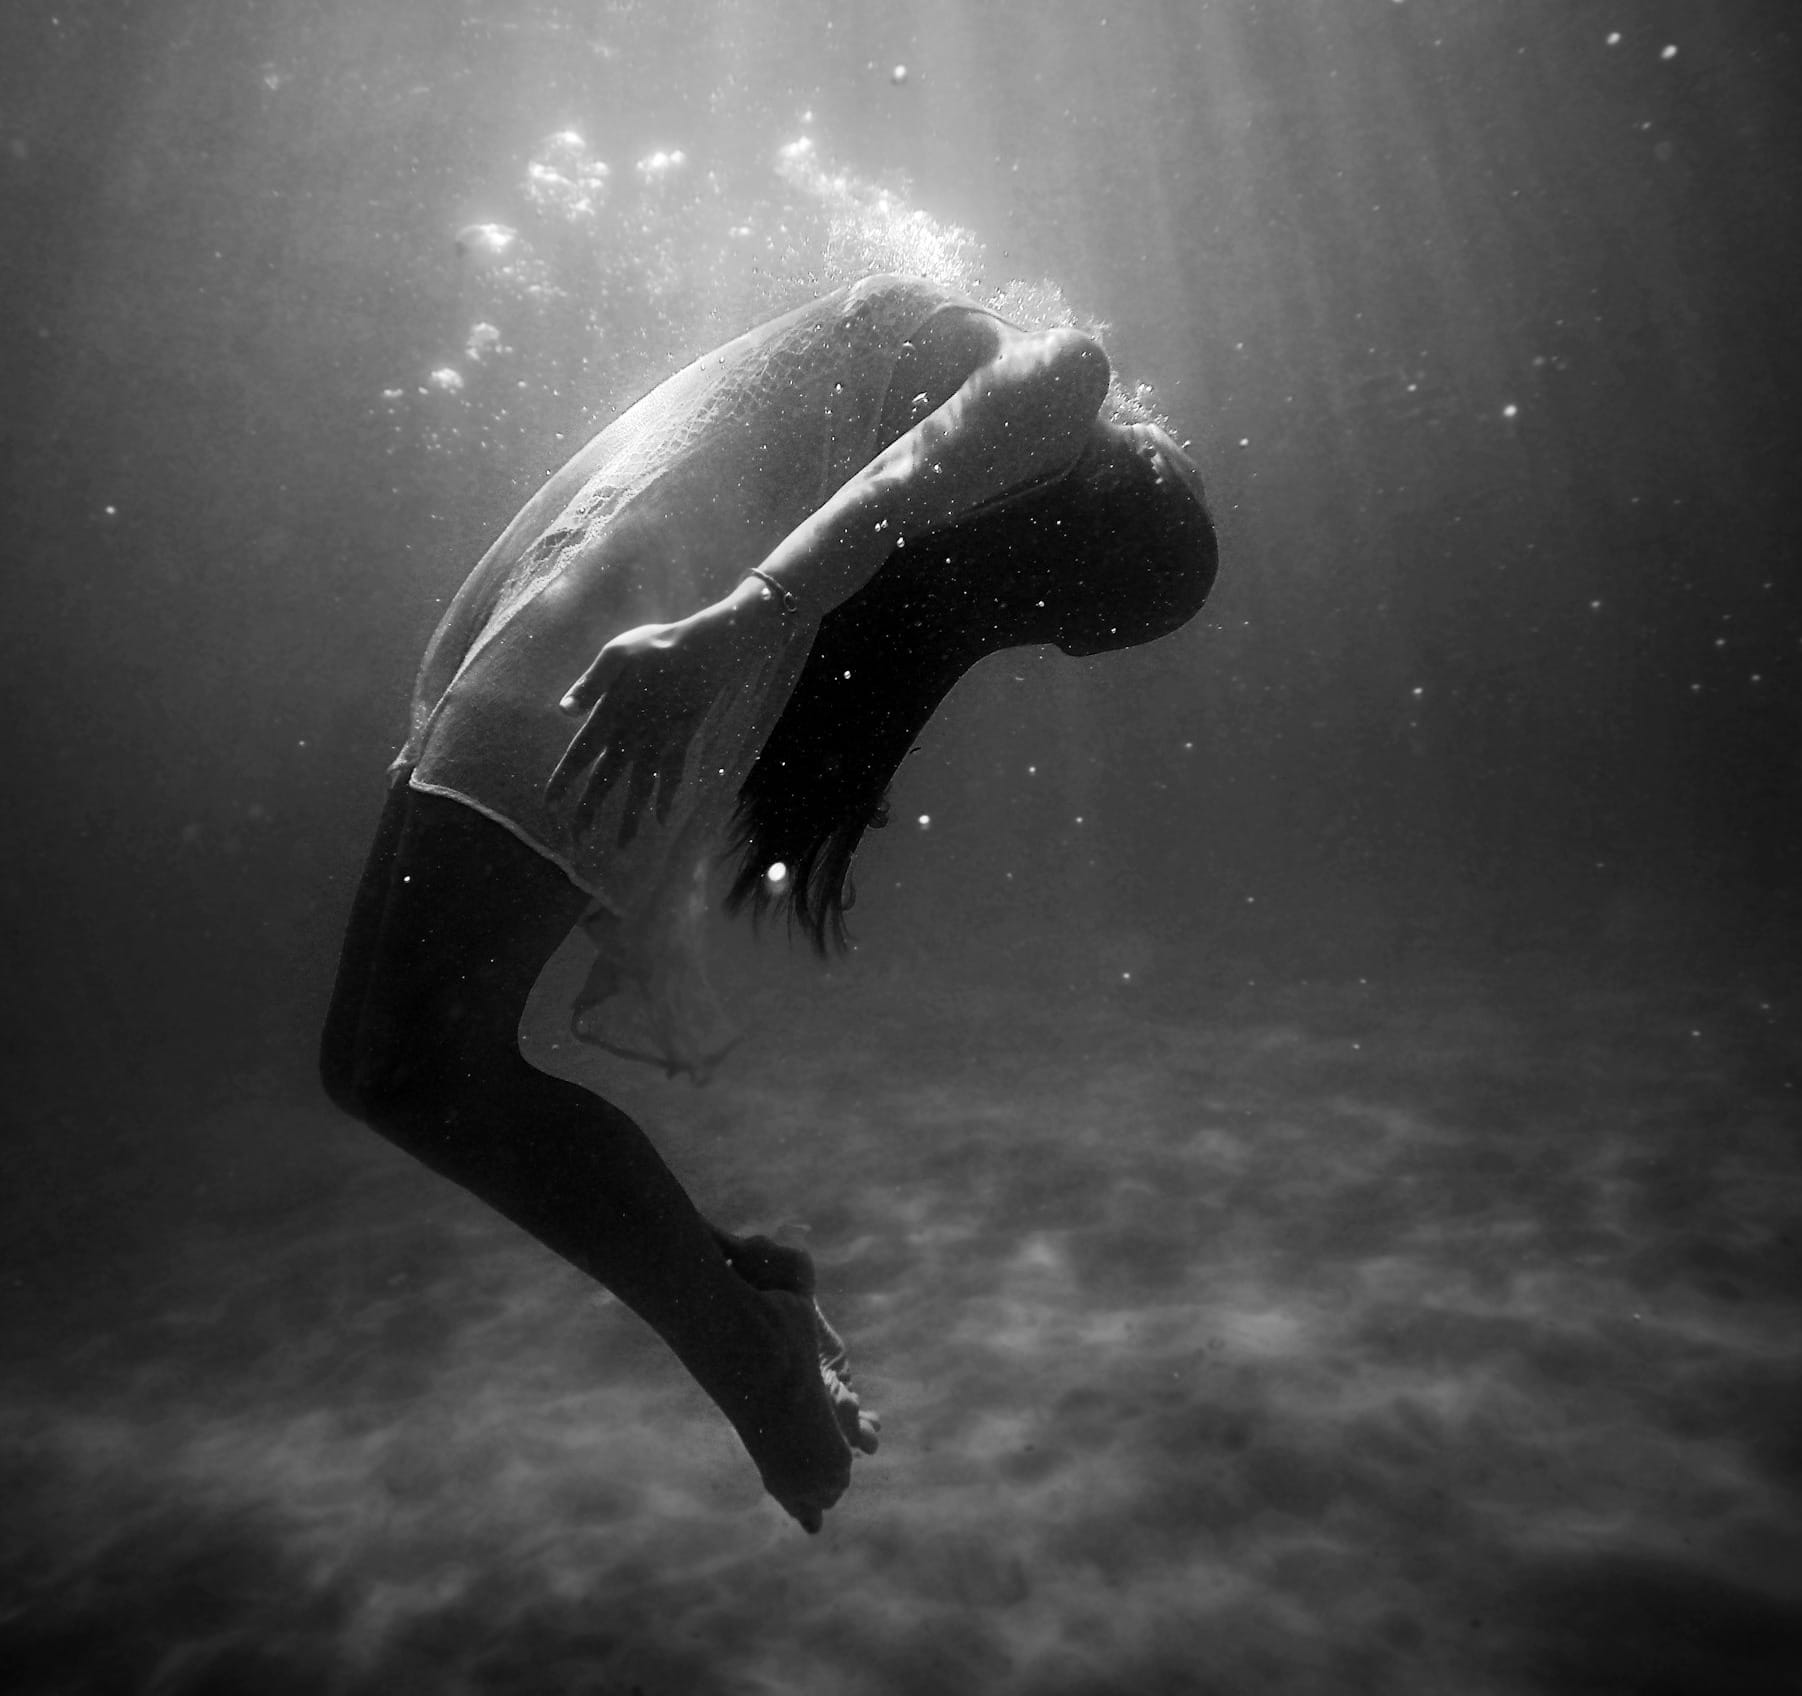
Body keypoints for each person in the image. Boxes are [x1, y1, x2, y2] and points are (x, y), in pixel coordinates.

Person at [321, 274, 1217, 1532]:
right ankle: (744, 1304)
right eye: (1061, 613)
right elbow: (886, 486)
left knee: (405, 1063)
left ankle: (743, 1345)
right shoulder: (1057, 379)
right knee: (380, 1063)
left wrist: (722, 630)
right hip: (643, 606)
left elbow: (868, 486)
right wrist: (726, 628)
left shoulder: (999, 376)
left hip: (643, 610)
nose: (1023, 625)